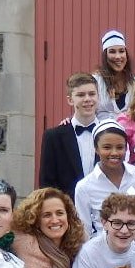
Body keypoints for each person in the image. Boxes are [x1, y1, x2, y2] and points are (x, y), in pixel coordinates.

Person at [73, 121, 135, 235]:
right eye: (107, 147)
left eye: (119, 147)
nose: (114, 153)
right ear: (96, 148)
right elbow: (84, 231)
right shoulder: (84, 187)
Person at [39, 72, 99, 200]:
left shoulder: (109, 134)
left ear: (98, 97)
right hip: (67, 212)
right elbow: (47, 184)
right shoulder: (53, 137)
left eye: (92, 94)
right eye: (81, 95)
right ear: (70, 100)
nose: (87, 99)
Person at [94, 29, 135, 121]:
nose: (118, 57)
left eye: (121, 51)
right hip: (102, 133)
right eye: (112, 52)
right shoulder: (95, 82)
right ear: (105, 55)